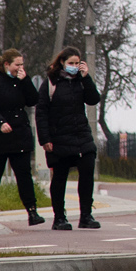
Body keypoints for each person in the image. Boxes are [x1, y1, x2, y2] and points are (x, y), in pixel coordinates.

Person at [36, 46, 102, 230]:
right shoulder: (51, 82)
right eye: (71, 63)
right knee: (60, 177)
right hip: (59, 138)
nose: (74, 66)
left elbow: (93, 99)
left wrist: (86, 77)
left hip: (81, 135)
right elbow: (41, 112)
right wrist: (45, 139)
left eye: (77, 63)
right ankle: (59, 218)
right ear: (62, 63)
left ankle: (86, 215)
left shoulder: (81, 81)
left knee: (87, 172)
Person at [0, 48, 44, 227]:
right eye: (17, 65)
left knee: (24, 175)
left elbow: (33, 100)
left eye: (22, 65)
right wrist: (0, 122)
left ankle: (32, 211)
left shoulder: (21, 82)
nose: (20, 68)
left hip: (19, 135)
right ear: (7, 64)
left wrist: (26, 81)